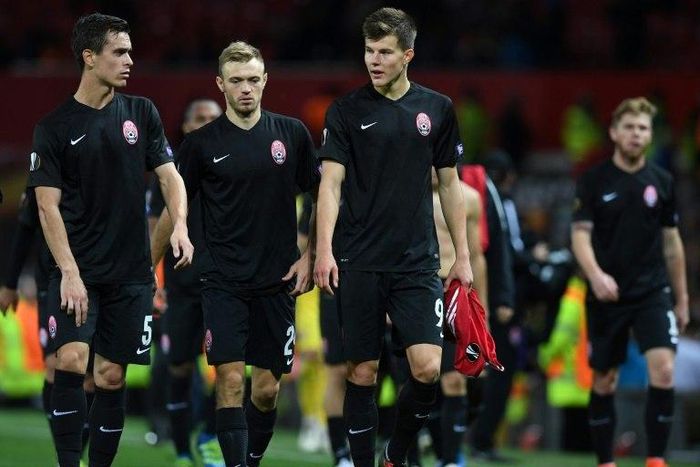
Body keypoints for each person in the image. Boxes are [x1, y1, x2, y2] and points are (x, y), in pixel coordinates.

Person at [27, 13, 192, 467]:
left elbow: (170, 176)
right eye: (119, 52)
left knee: (112, 375)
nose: (130, 61)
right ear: (89, 56)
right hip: (77, 272)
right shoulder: (55, 127)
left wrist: (178, 222)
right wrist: (69, 272)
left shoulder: (142, 112)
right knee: (72, 359)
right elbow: (46, 207)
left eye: (131, 51)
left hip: (129, 273)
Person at [314, 8, 473, 467]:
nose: (374, 60)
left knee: (427, 368)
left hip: (417, 262)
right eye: (368, 50)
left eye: (384, 52)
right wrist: (324, 251)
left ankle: (395, 454)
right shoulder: (345, 111)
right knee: (361, 371)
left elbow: (449, 184)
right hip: (359, 259)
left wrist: (461, 257)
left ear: (408, 55)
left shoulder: (437, 108)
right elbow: (330, 185)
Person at [151, 40, 320, 467]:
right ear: (220, 85)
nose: (246, 88)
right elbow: (176, 204)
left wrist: (312, 252)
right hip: (222, 280)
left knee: (266, 390)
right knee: (229, 380)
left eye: (252, 80)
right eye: (236, 81)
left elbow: (322, 196)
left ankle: (250, 460)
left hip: (277, 282)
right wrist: (149, 264)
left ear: (265, 81)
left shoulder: (292, 134)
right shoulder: (201, 144)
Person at [571, 97, 690, 467]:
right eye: (630, 127)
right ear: (614, 132)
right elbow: (579, 235)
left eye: (643, 128)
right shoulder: (593, 181)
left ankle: (655, 459)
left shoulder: (662, 181)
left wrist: (682, 299)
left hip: (652, 292)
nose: (637, 134)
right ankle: (605, 460)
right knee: (605, 379)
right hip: (608, 294)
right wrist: (596, 276)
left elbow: (672, 243)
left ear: (650, 135)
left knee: (665, 370)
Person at [147, 98, 224, 467]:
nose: (208, 123)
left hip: (226, 284)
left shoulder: (237, 167)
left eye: (214, 117)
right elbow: (153, 231)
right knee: (178, 366)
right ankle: (181, 449)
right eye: (200, 118)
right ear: (188, 126)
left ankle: (209, 435)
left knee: (230, 366)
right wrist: (153, 279)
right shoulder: (169, 173)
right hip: (181, 286)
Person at [430, 170, 487, 467]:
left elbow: (477, 256)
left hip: (454, 293)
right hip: (416, 291)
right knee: (418, 379)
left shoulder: (470, 198)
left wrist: (483, 315)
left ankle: (451, 459)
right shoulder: (407, 194)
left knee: (455, 380)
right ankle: (409, 453)